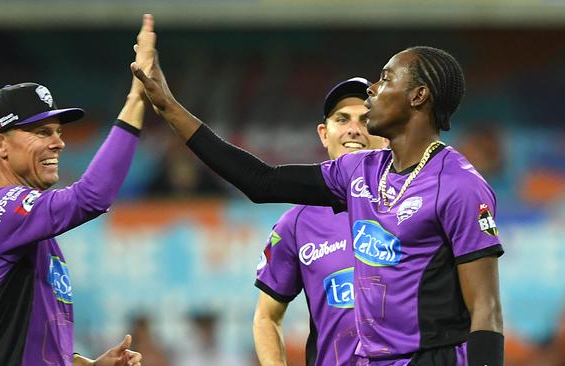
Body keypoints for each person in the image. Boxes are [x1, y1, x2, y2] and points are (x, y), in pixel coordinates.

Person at [133, 28, 504, 366]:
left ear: (418, 96)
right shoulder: (360, 171)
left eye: (386, 78)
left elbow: (485, 309)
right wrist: (166, 105)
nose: (373, 89)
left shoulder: (460, 185)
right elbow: (261, 181)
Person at [0, 15, 156, 366]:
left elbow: (21, 340)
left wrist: (86, 364)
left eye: (58, 131)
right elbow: (91, 197)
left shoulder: (25, 228)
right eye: (41, 132)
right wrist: (137, 98)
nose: (58, 143)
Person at [253, 77, 387, 366]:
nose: (354, 129)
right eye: (342, 119)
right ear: (324, 134)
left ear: (385, 132)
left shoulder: (415, 204)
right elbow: (266, 316)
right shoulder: (296, 224)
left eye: (366, 119)